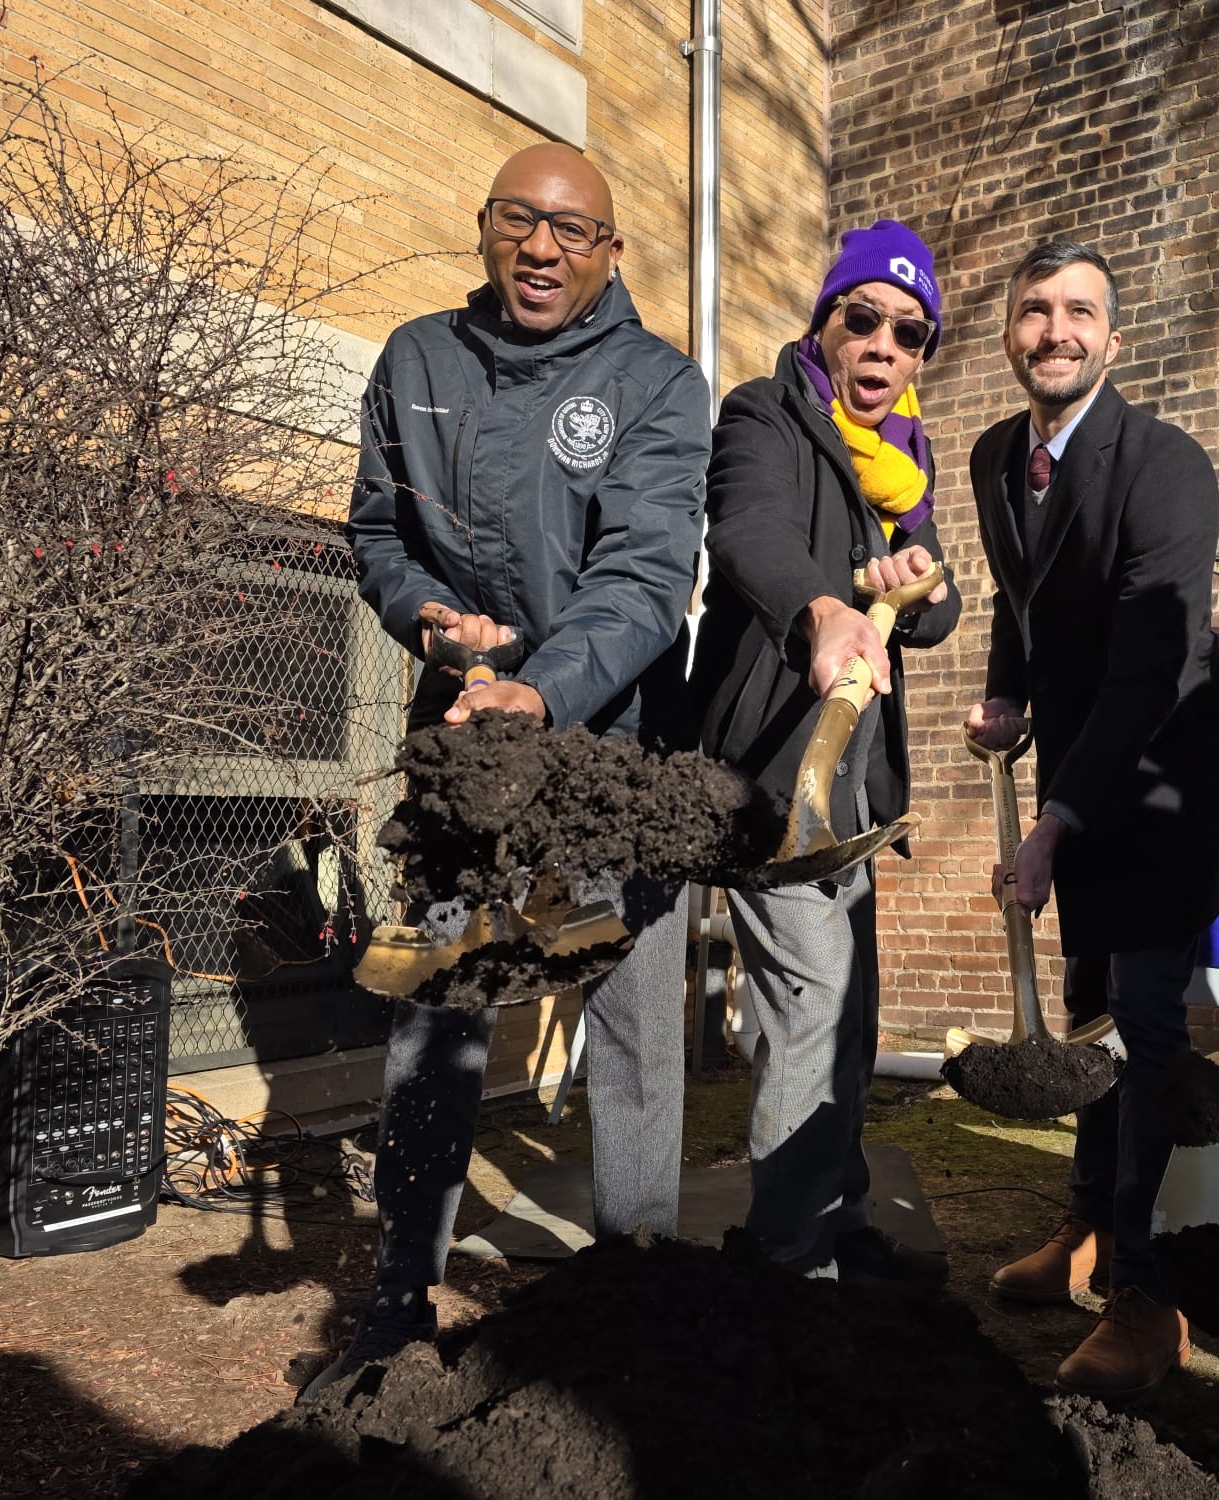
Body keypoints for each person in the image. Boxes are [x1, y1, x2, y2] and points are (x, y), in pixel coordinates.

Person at [305, 143, 709, 1398]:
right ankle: (395, 1306)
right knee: (440, 1020)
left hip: (614, 748)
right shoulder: (415, 359)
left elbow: (646, 575)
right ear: (484, 229)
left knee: (635, 1027)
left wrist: (544, 684)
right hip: (463, 749)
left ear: (609, 253)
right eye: (517, 222)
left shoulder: (655, 381)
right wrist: (433, 620)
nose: (540, 249)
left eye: (570, 232)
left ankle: (635, 1294)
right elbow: (376, 529)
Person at [965, 240, 1219, 1397]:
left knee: (1142, 1028)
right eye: (1034, 312)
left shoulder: (1163, 466)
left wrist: (1053, 821)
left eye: (1079, 311)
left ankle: (1148, 1293)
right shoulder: (994, 459)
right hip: (1078, 782)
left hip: (1162, 784)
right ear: (1010, 332)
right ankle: (1083, 1234)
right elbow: (1016, 597)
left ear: (1111, 339)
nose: (1054, 331)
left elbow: (1146, 661)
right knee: (1085, 1019)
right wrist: (1004, 686)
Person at [692, 220, 961, 1285]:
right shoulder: (763, 415)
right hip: (768, 772)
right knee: (814, 995)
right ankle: (785, 1257)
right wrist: (821, 611)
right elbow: (747, 530)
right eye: (864, 320)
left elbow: (932, 620)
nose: (884, 346)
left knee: (848, 1012)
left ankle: (836, 1219)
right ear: (826, 323)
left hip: (851, 787)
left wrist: (916, 589)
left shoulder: (909, 461)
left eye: (909, 331)